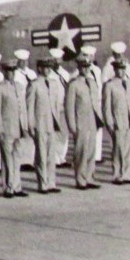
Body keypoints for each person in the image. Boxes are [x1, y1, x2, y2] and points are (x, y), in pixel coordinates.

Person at [0, 60, 28, 198]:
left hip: (18, 129)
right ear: (4, 72)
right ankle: (8, 187)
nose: (11, 73)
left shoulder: (19, 87)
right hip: (6, 129)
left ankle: (17, 187)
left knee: (17, 158)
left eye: (13, 71)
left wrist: (24, 126)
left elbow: (22, 108)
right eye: (8, 71)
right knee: (7, 159)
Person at [65, 56, 103, 190]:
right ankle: (80, 180)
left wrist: (99, 119)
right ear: (79, 68)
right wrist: (72, 125)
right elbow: (69, 107)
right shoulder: (74, 84)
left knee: (91, 150)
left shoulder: (92, 82)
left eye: (88, 67)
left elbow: (96, 102)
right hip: (80, 121)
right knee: (81, 151)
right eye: (83, 67)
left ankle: (90, 177)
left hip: (92, 121)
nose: (86, 69)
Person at [27, 59, 61, 193]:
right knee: (41, 155)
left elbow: (56, 105)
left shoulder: (53, 83)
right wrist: (31, 125)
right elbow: (29, 107)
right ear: (39, 68)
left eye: (49, 68)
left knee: (51, 155)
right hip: (40, 124)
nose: (48, 70)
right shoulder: (34, 84)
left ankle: (51, 183)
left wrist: (57, 121)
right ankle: (43, 184)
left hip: (51, 124)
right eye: (45, 68)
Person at [103, 59, 130, 185]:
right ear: (115, 70)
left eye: (123, 69)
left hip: (128, 120)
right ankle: (117, 175)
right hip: (118, 120)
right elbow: (106, 107)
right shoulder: (110, 85)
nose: (121, 71)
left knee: (128, 148)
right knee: (118, 149)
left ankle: (126, 174)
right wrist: (110, 123)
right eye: (119, 69)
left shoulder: (127, 83)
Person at [48, 48, 71, 166]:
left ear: (61, 60)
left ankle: (62, 157)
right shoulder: (48, 75)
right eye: (54, 60)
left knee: (64, 134)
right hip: (52, 108)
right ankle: (55, 158)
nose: (56, 62)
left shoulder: (66, 74)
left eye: (58, 60)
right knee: (53, 133)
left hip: (63, 107)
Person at [82, 45, 104, 163]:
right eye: (86, 56)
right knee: (87, 131)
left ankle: (97, 156)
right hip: (88, 105)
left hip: (97, 102)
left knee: (98, 130)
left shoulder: (97, 70)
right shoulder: (79, 72)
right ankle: (87, 155)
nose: (89, 58)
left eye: (91, 56)